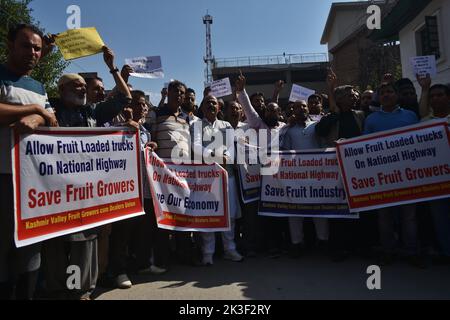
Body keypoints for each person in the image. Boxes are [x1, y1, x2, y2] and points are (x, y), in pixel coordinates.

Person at [42, 46, 132, 300]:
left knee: (85, 240)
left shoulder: (92, 112)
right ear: (61, 90)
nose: (82, 89)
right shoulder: (52, 108)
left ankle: (82, 289)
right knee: (57, 241)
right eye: (76, 85)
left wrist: (113, 68)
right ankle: (58, 289)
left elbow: (124, 98)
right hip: (56, 189)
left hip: (86, 190)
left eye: (84, 86)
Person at [0, 23, 58, 300]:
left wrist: (37, 115)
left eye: (37, 48)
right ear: (10, 45)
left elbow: (51, 119)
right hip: (2, 178)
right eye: (26, 46)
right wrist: (34, 109)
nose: (33, 52)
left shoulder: (38, 86)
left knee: (29, 252)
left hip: (31, 184)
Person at [316, 69, 374, 262]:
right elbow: (321, 131)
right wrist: (333, 109)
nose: (354, 98)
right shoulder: (331, 117)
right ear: (339, 99)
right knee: (339, 210)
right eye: (349, 96)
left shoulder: (361, 115)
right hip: (336, 171)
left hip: (359, 170)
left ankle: (360, 245)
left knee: (361, 209)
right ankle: (340, 247)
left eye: (354, 96)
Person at [364, 82, 423, 268]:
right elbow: (364, 147)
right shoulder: (371, 119)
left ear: (396, 95)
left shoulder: (411, 116)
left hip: (408, 176)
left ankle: (411, 251)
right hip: (382, 178)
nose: (386, 95)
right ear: (379, 97)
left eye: (390, 92)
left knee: (409, 217)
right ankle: (388, 251)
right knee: (385, 217)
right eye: (382, 93)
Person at [107, 90, 159, 289]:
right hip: (125, 190)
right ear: (128, 107)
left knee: (143, 230)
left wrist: (149, 147)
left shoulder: (145, 130)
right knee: (122, 233)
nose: (143, 107)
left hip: (144, 189)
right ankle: (118, 271)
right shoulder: (116, 126)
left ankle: (143, 264)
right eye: (139, 103)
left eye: (145, 104)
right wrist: (124, 127)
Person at [236, 72, 289, 258]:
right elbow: (249, 109)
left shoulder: (284, 127)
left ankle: (276, 244)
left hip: (278, 178)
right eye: (268, 111)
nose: (270, 113)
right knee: (255, 214)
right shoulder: (258, 124)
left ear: (279, 113)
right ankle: (254, 245)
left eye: (274, 111)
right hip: (257, 177)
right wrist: (241, 91)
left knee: (276, 214)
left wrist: (276, 93)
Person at [192, 95, 244, 265]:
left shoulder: (226, 125)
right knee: (209, 214)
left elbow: (231, 149)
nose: (211, 105)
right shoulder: (196, 125)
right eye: (207, 103)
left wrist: (225, 158)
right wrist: (215, 156)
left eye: (214, 103)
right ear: (202, 107)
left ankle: (230, 249)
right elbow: (196, 147)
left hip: (226, 175)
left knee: (230, 215)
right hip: (206, 179)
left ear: (219, 107)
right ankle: (208, 253)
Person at [281, 100, 329, 258]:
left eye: (304, 106)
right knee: (294, 211)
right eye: (297, 107)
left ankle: (322, 241)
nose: (301, 108)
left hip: (317, 175)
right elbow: (285, 152)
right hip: (296, 177)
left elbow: (324, 147)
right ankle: (296, 243)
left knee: (319, 209)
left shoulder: (316, 125)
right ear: (293, 110)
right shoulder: (289, 130)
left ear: (308, 108)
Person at [418, 77, 450, 264]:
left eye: (440, 95)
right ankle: (446, 252)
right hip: (435, 182)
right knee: (440, 220)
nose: (436, 99)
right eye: (433, 96)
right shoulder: (424, 123)